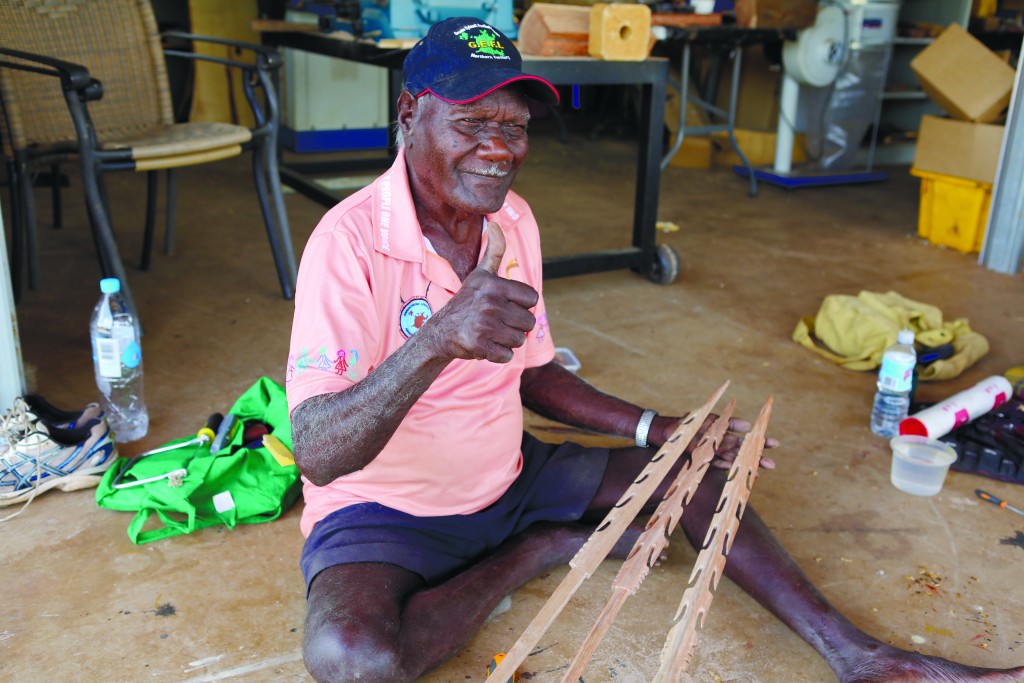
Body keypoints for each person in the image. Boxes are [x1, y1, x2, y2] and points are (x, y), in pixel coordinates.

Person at [286, 18, 1024, 683]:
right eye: (473, 121)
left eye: (515, 127)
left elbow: (534, 371)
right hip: (387, 507)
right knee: (353, 657)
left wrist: (656, 429)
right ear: (409, 115)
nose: (500, 149)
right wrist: (440, 337)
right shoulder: (347, 243)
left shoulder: (512, 218)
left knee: (695, 471)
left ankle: (861, 657)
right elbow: (318, 448)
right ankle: (536, 549)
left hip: (509, 471)